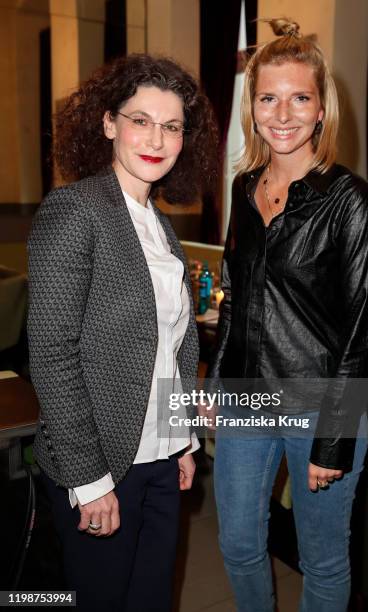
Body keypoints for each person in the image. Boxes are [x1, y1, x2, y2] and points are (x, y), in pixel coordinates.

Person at [27, 53, 218, 612]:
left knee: (152, 598)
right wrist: (90, 481)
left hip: (160, 459)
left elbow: (170, 348)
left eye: (172, 125)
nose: (156, 137)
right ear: (109, 123)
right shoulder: (75, 210)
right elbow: (53, 354)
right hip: (102, 463)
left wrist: (180, 441)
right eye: (140, 120)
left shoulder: (161, 228)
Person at [207, 18, 368, 612]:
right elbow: (234, 293)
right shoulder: (243, 187)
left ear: (320, 109)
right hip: (247, 402)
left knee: (323, 561)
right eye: (268, 97)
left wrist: (333, 442)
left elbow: (361, 331)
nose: (282, 113)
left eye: (299, 97)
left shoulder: (349, 199)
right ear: (251, 107)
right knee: (236, 544)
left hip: (320, 406)